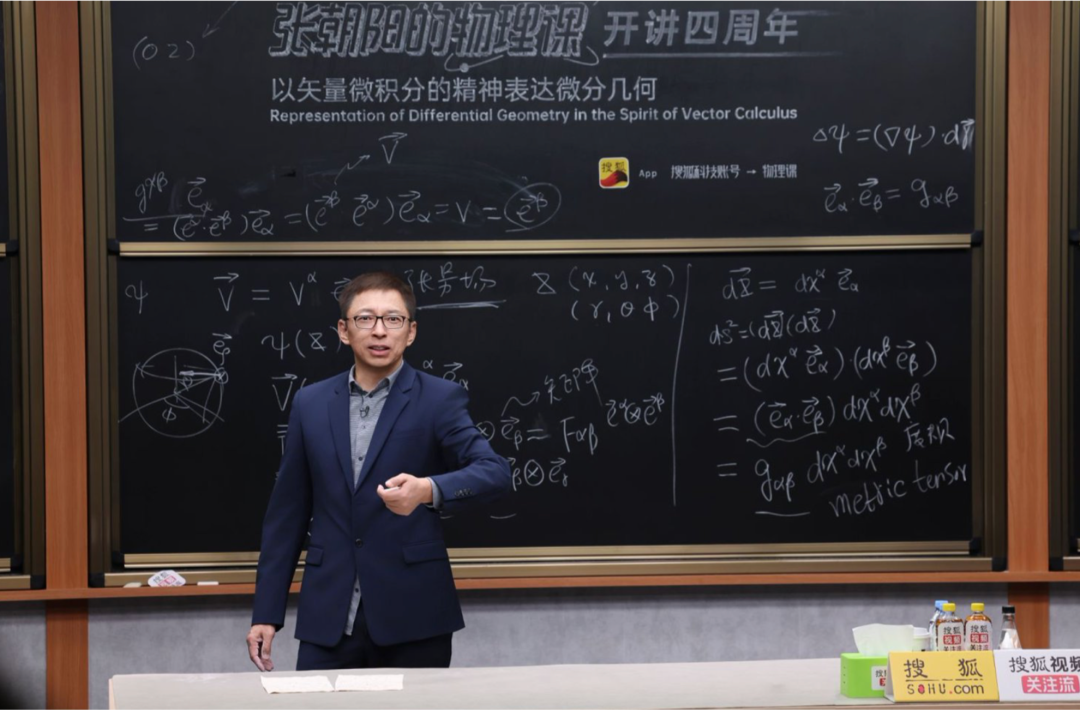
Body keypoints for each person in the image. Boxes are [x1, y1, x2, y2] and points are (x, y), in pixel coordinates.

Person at [247, 271, 511, 671]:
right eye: (365, 318)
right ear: (344, 330)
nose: (380, 331)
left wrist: (427, 490)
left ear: (411, 331)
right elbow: (287, 515)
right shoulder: (310, 403)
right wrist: (267, 612)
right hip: (328, 615)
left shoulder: (439, 399)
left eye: (393, 319)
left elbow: (495, 472)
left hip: (414, 613)